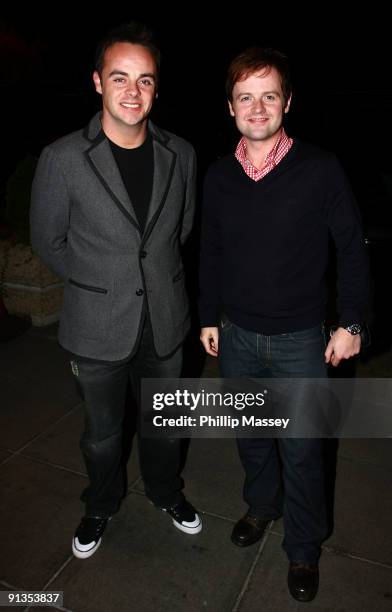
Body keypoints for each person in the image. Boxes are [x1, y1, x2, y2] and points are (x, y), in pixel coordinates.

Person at [199, 47, 369, 602]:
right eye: (245, 96)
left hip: (301, 340)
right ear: (230, 108)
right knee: (251, 439)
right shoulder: (220, 176)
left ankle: (302, 548)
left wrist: (352, 321)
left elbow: (351, 248)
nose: (257, 106)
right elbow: (212, 251)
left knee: (303, 450)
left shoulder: (320, 168)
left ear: (287, 102)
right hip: (239, 336)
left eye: (268, 95)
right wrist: (208, 316)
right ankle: (261, 507)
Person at [30, 21, 201, 560]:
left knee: (165, 425)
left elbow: (182, 230)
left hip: (167, 319)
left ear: (156, 87)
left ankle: (165, 492)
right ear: (98, 82)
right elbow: (47, 239)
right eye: (120, 78)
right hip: (96, 324)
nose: (133, 91)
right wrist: (101, 284)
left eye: (145, 80)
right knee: (103, 434)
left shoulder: (182, 154)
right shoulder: (63, 158)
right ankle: (100, 505)